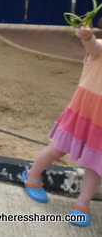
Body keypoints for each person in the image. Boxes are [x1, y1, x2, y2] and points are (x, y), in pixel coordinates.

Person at [22, 23, 102, 227]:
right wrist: (86, 37)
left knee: (97, 163)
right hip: (83, 113)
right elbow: (93, 47)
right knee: (58, 148)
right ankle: (32, 176)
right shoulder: (99, 47)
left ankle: (82, 204)